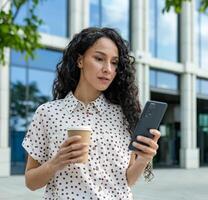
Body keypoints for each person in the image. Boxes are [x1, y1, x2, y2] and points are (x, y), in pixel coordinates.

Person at [22, 27, 161, 199]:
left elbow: (126, 181)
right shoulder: (48, 113)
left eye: (114, 62)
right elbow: (30, 182)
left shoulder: (125, 115)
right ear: (80, 60)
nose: (108, 69)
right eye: (99, 58)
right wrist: (56, 162)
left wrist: (144, 159)